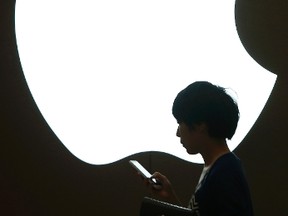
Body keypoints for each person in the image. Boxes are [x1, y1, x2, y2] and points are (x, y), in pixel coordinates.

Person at [142, 81, 254, 216]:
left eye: (180, 123)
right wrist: (169, 197)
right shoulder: (217, 168)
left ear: (200, 124)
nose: (178, 133)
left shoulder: (225, 174)